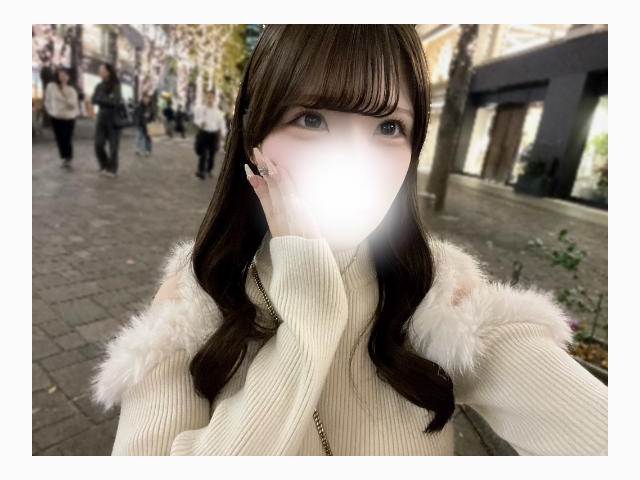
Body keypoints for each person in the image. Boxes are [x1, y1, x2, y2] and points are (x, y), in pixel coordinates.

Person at [91, 25, 607, 456]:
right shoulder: (197, 297)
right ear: (254, 137)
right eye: (312, 118)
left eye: (389, 127)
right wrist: (307, 314)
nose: (356, 161)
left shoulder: (436, 293)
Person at [44, 68, 79, 169]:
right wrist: (50, 111)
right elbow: (47, 100)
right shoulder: (51, 86)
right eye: (61, 74)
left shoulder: (71, 90)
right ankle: (64, 157)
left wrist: (63, 93)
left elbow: (72, 105)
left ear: (68, 77)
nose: (63, 77)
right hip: (55, 116)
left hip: (69, 117)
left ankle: (69, 158)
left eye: (65, 75)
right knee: (59, 139)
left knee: (67, 138)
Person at [91, 63, 122, 177]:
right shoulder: (99, 86)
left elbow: (115, 101)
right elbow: (93, 100)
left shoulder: (116, 85)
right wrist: (107, 99)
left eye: (102, 70)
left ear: (108, 72)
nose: (100, 72)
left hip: (114, 118)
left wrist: (102, 99)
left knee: (113, 146)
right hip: (101, 117)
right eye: (99, 70)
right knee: (98, 144)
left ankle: (112, 169)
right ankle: (104, 165)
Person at [193, 90, 227, 180]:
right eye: (208, 97)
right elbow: (196, 120)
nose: (209, 99)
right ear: (206, 98)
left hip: (214, 135)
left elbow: (222, 123)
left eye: (211, 97)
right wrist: (200, 122)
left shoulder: (218, 112)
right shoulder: (200, 109)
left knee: (212, 154)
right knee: (203, 154)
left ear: (214, 98)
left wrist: (224, 134)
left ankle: (209, 170)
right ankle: (200, 172)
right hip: (203, 134)